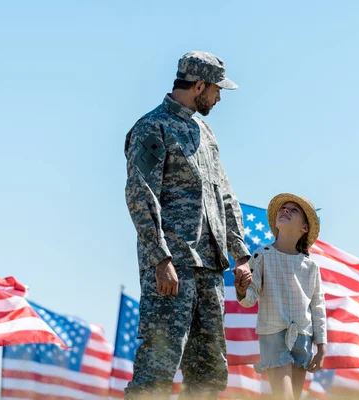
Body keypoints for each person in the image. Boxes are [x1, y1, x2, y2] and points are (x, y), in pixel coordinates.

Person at [123, 50, 252, 399]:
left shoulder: (205, 132)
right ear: (199, 86)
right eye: (216, 89)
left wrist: (241, 256)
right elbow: (141, 195)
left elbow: (224, 195)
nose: (219, 97)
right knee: (157, 369)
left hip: (210, 269)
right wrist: (160, 260)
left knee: (210, 372)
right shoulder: (153, 127)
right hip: (173, 268)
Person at [236, 193, 327, 400]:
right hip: (273, 334)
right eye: (282, 208)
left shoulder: (311, 266)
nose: (285, 210)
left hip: (303, 337)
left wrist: (321, 347)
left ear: (304, 228)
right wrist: (241, 289)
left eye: (293, 210)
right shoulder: (261, 255)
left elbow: (318, 308)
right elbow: (249, 298)